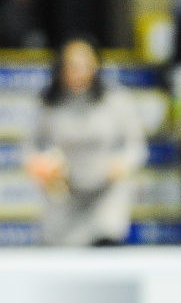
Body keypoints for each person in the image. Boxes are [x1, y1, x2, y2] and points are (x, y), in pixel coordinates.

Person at [24, 37, 147, 246]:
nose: (79, 72)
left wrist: (122, 164)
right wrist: (41, 165)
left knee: (105, 247)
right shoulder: (48, 103)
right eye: (73, 66)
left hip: (105, 193)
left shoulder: (115, 99)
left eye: (86, 66)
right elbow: (30, 147)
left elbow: (136, 146)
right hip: (65, 195)